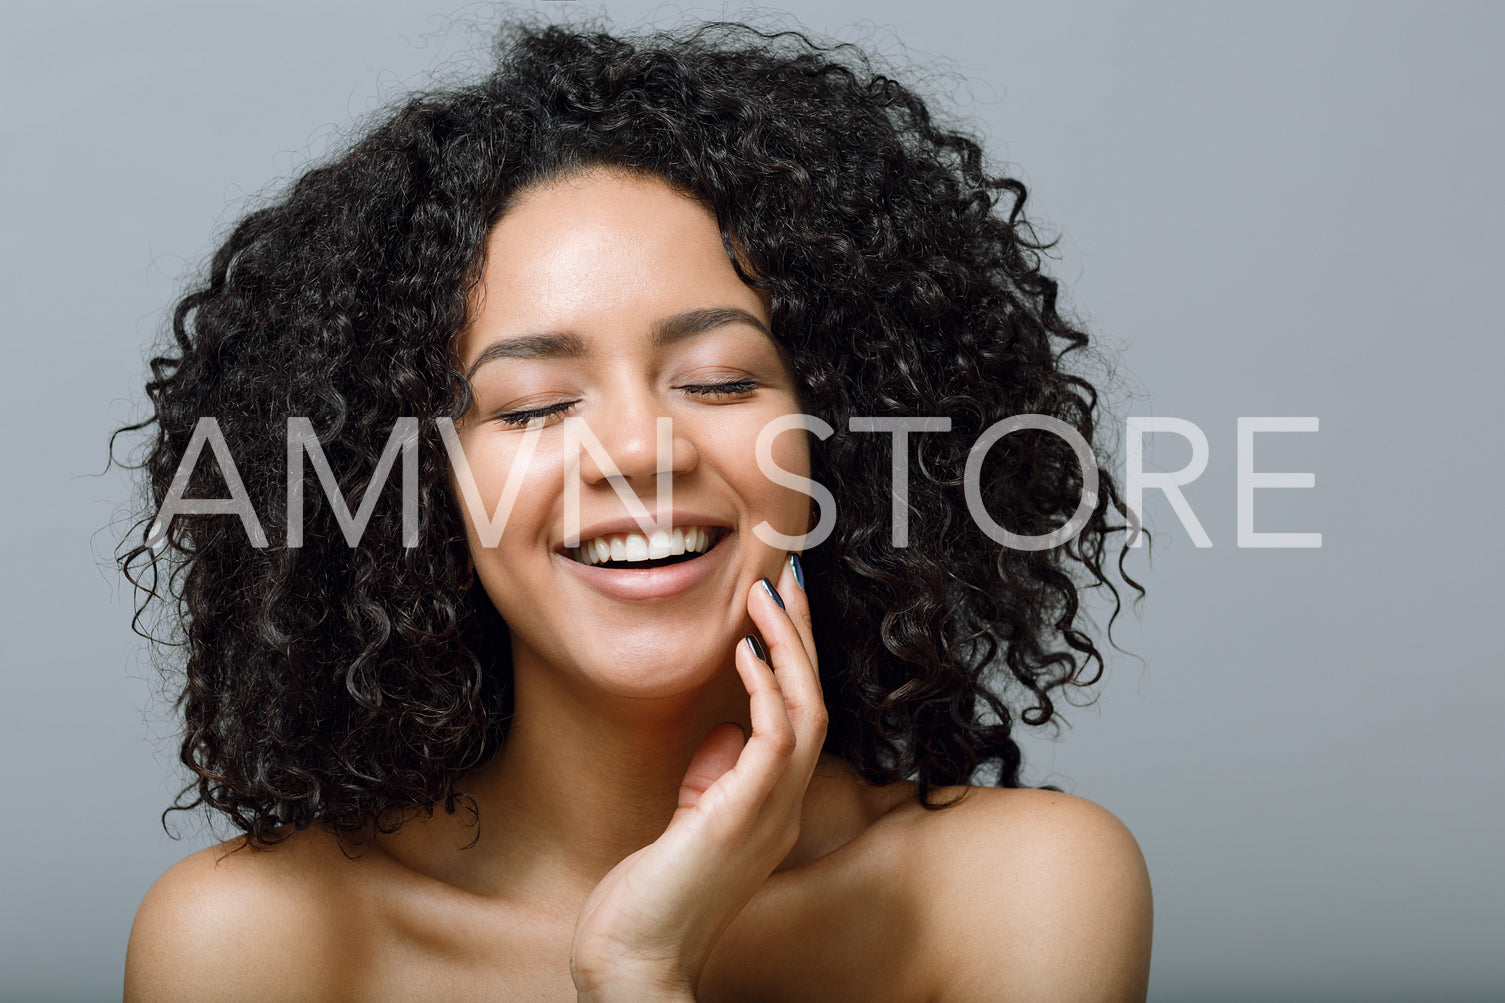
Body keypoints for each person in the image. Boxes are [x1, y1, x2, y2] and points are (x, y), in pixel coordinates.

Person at [121, 17, 1152, 1002]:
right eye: (531, 405)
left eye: (717, 382)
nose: (635, 453)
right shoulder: (253, 941)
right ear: (413, 487)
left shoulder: (1020, 893)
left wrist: (639, 973)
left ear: (841, 437)